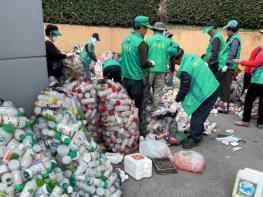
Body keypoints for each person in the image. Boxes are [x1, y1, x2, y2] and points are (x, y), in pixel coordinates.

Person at [167, 46, 219, 149]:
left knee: (197, 116)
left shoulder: (185, 69)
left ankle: (196, 138)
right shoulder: (192, 56)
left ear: (174, 58)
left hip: (208, 92)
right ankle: (196, 132)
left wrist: (176, 101)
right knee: (198, 113)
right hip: (211, 85)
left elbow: (184, 88)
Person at [121, 16, 155, 119]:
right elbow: (144, 63)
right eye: (146, 28)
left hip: (125, 78)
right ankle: (136, 129)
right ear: (141, 28)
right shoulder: (140, 43)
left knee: (126, 106)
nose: (146, 31)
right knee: (136, 107)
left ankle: (126, 126)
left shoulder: (125, 40)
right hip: (136, 80)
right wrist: (151, 63)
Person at [144, 22, 178, 111]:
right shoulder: (168, 41)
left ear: (154, 30)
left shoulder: (148, 40)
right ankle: (155, 108)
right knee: (158, 89)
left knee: (147, 88)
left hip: (149, 68)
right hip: (162, 68)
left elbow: (144, 54)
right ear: (163, 30)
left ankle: (145, 108)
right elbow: (176, 47)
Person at [233, 33, 263, 128]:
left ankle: (246, 120)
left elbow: (255, 63)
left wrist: (240, 61)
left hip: (259, 80)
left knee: (249, 99)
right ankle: (260, 123)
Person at [218, 20, 241, 113]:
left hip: (229, 67)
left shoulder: (235, 39)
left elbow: (232, 53)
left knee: (226, 86)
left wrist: (226, 66)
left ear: (232, 29)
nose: (226, 32)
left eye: (227, 30)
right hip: (225, 66)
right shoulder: (232, 38)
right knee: (223, 85)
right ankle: (222, 104)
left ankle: (225, 107)